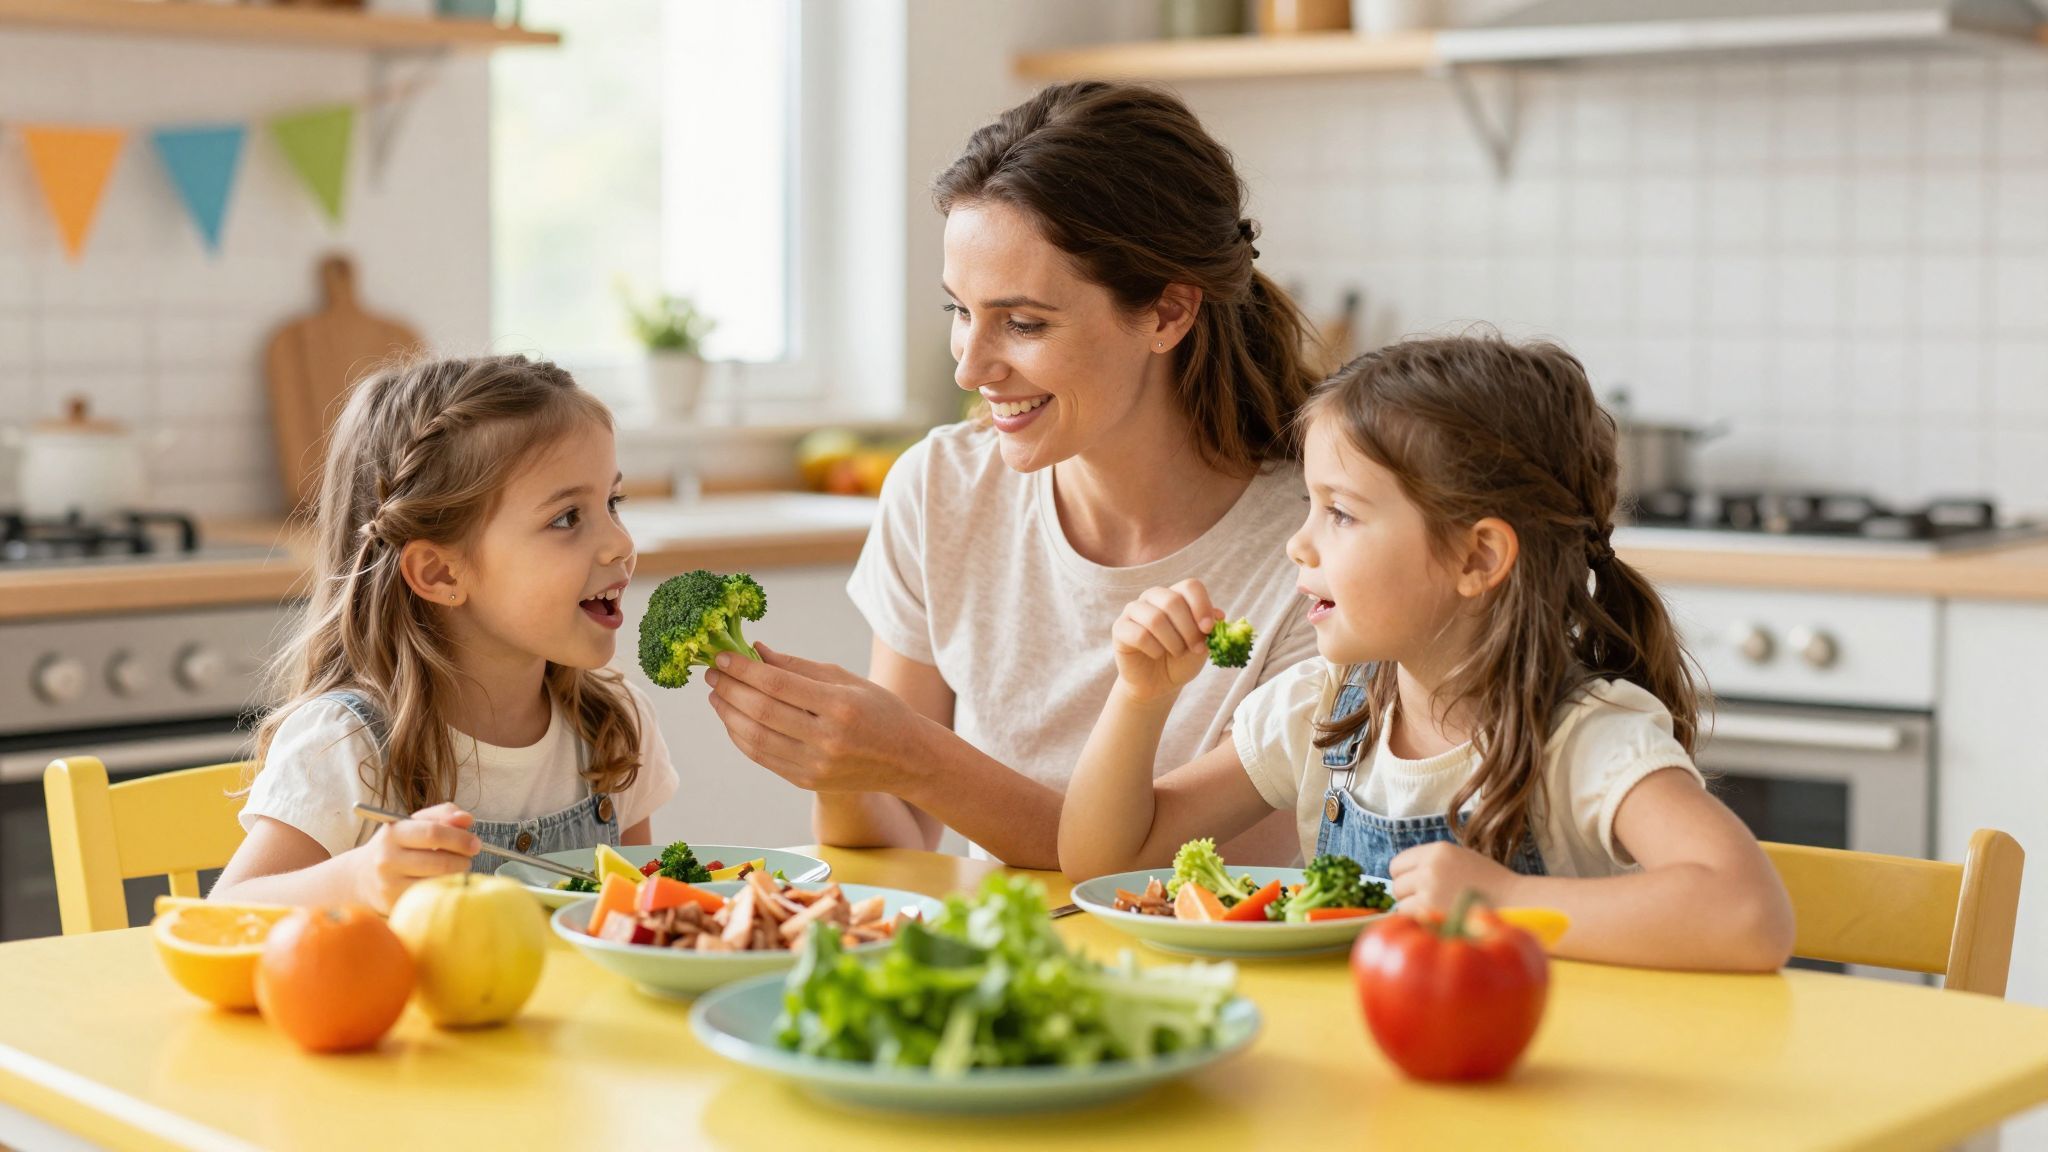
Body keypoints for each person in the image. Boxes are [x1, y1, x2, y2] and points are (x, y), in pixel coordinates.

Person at [702, 81, 1323, 868]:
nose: (970, 367)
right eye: (959, 311)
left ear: (1168, 313)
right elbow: (895, 844)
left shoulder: (1320, 544)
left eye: (1023, 323)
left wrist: (909, 754)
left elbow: (1135, 862)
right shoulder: (941, 491)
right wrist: (840, 758)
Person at [1059, 335, 1794, 971]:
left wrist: (1506, 900)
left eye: (1341, 513)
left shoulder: (1582, 737)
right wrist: (1141, 697)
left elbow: (1750, 915)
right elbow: (1104, 861)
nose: (1299, 542)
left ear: (1477, 558)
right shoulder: (1325, 710)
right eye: (1310, 505)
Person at [211, 355, 677, 911]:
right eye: (566, 518)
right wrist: (355, 881)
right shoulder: (345, 746)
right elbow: (225, 911)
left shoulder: (613, 728)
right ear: (441, 572)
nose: (621, 544)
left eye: (612, 503)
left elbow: (637, 923)